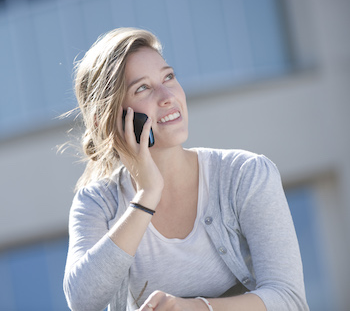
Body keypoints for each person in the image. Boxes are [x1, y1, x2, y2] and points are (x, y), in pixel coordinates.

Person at [63, 27, 309, 311]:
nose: (167, 95)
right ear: (104, 120)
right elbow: (82, 300)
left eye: (168, 77)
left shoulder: (245, 175)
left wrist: (194, 308)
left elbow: (290, 300)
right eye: (142, 88)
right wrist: (147, 194)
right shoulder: (96, 203)